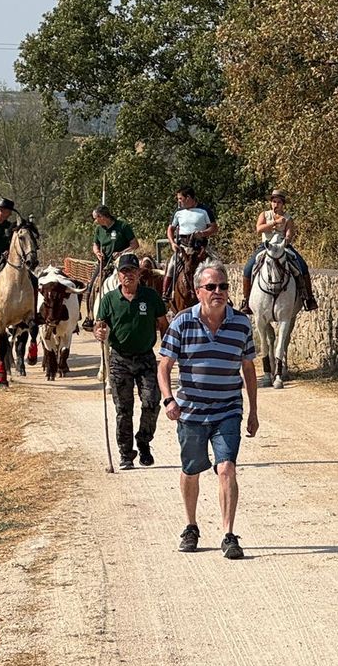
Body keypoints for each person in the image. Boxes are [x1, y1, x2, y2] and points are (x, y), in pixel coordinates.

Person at [157, 262, 259, 560]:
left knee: (226, 468)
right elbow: (164, 366)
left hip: (228, 409)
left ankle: (228, 534)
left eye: (223, 286)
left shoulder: (241, 324)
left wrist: (253, 411)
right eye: (211, 287)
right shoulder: (182, 322)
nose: (218, 292)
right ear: (198, 291)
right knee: (191, 470)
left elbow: (249, 368)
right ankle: (191, 526)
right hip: (191, 412)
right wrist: (168, 400)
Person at [94, 251, 168, 470]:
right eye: (124, 271)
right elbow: (100, 325)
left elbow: (163, 324)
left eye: (132, 271)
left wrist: (167, 351)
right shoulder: (109, 299)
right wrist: (99, 332)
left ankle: (143, 441)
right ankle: (126, 454)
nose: (129, 275)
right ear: (118, 275)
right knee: (123, 409)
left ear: (139, 274)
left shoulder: (150, 296)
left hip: (146, 358)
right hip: (120, 360)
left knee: (151, 402)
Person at [240, 188, 318, 313]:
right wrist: (275, 222)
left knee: (302, 266)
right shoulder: (264, 215)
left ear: (283, 204)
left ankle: (309, 297)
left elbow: (289, 234)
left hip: (283, 246)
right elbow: (259, 229)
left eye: (279, 202)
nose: (276, 204)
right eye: (274, 201)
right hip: (266, 245)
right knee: (248, 268)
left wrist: (285, 240)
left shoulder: (288, 218)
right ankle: (246, 299)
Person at [86, 204, 138, 329]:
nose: (95, 221)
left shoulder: (123, 226)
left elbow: (135, 244)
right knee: (91, 286)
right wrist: (97, 253)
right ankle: (90, 317)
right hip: (104, 263)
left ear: (102, 217)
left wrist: (121, 252)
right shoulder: (99, 229)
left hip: (123, 262)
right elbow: (95, 245)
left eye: (96, 218)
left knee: (138, 280)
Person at [162, 186, 217, 301]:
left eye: (180, 198)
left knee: (217, 265)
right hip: (183, 247)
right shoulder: (178, 212)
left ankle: (222, 293)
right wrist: (172, 243)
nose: (179, 201)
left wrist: (202, 233)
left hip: (201, 247)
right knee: (172, 265)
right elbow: (170, 229)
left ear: (188, 197)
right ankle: (166, 292)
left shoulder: (204, 210)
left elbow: (214, 228)